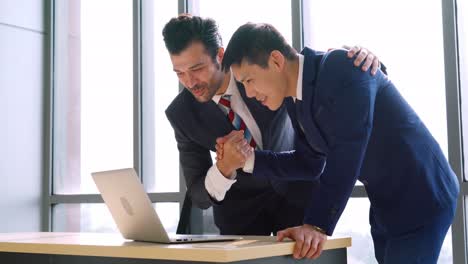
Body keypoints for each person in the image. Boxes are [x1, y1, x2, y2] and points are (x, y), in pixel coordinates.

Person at [218, 22, 459, 263]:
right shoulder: (295, 102)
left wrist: (316, 226)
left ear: (276, 61)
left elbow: (348, 149)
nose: (248, 93)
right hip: (386, 204)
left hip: (422, 193)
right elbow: (309, 163)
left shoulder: (342, 65)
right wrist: (248, 159)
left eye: (249, 80)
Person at [162, 14, 382, 236]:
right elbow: (198, 194)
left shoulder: (264, 66)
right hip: (241, 219)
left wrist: (362, 59)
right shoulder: (181, 114)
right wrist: (224, 168)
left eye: (197, 69)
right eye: (180, 73)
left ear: (220, 55)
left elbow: (310, 69)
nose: (189, 82)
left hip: (300, 198)